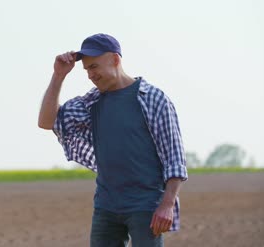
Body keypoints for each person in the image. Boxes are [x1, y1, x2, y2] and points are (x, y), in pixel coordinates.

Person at [38, 33, 188, 247]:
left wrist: (168, 204)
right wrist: (58, 76)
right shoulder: (91, 103)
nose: (90, 74)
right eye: (87, 69)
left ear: (115, 60)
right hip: (106, 207)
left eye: (94, 66)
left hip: (146, 206)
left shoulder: (153, 98)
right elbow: (46, 121)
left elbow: (175, 157)